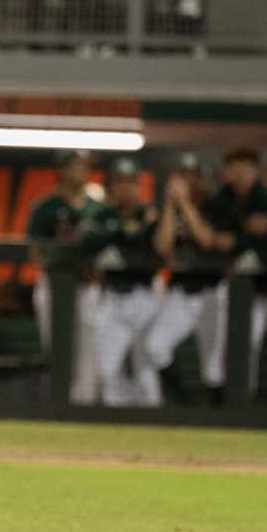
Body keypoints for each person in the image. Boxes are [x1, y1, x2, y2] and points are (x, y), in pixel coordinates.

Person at [27, 149, 109, 404]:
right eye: (76, 165)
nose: (82, 170)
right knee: (55, 348)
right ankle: (55, 403)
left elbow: (108, 249)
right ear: (61, 169)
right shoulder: (46, 207)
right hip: (53, 286)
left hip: (88, 287)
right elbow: (35, 251)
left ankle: (84, 407)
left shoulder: (97, 208)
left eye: (85, 165)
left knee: (88, 351)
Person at [141, 153, 222, 404]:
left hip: (214, 293)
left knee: (214, 367)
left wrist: (185, 204)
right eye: (183, 176)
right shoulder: (169, 208)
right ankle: (183, 402)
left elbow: (206, 239)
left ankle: (219, 417)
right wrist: (169, 205)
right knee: (155, 346)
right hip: (182, 293)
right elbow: (162, 247)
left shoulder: (217, 205)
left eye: (193, 176)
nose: (188, 181)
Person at [202, 147, 267, 396]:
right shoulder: (220, 200)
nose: (239, 175)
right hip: (239, 287)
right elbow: (214, 240)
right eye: (234, 169)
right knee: (238, 346)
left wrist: (244, 238)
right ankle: (238, 401)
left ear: (255, 171)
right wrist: (244, 236)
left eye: (245, 169)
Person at [90, 157, 162, 407]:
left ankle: (153, 421)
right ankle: (116, 420)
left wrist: (131, 232)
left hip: (144, 296)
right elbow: (86, 243)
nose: (125, 188)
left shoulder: (150, 215)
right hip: (112, 297)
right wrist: (120, 230)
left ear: (139, 185)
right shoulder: (103, 215)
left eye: (130, 182)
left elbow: (159, 248)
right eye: (120, 182)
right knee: (106, 369)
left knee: (146, 367)